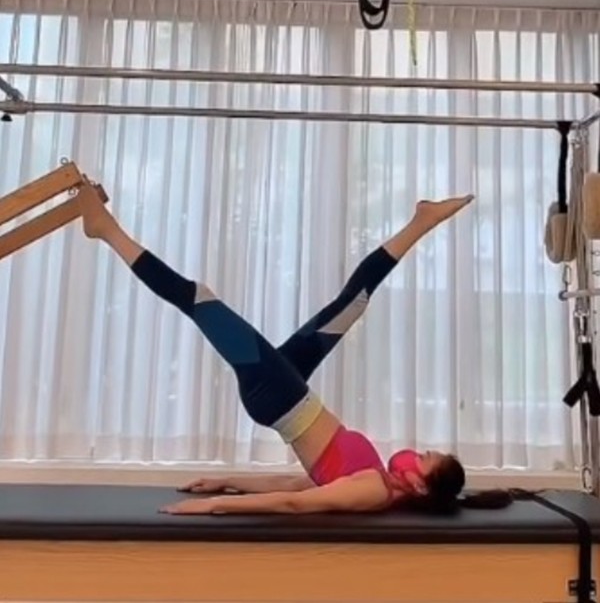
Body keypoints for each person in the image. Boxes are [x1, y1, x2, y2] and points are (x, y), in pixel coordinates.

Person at [78, 181, 506, 516]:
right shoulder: (379, 482)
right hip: (290, 389)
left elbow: (294, 504)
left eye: (428, 458)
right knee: (351, 304)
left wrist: (214, 506)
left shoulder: (372, 490)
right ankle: (421, 221)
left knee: (199, 300)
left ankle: (107, 231)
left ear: (421, 484)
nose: (420, 451)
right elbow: (292, 485)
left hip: (278, 395)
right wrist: (226, 482)